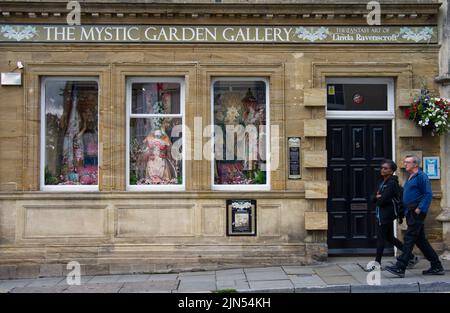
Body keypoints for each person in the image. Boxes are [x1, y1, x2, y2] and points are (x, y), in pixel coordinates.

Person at [385, 155, 445, 277]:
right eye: (405, 161)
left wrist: (420, 208)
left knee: (409, 238)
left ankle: (400, 267)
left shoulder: (421, 176)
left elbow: (428, 194)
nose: (405, 164)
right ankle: (436, 266)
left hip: (416, 212)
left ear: (415, 164)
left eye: (407, 162)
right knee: (421, 241)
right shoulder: (410, 177)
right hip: (410, 212)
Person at [372, 159, 417, 267]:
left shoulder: (392, 183)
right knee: (389, 238)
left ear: (391, 171)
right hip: (381, 214)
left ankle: (377, 263)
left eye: (385, 168)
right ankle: (410, 256)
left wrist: (378, 198)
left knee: (381, 238)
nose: (382, 170)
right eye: (382, 168)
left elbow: (382, 200)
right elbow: (373, 197)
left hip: (386, 215)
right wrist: (376, 197)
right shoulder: (381, 182)